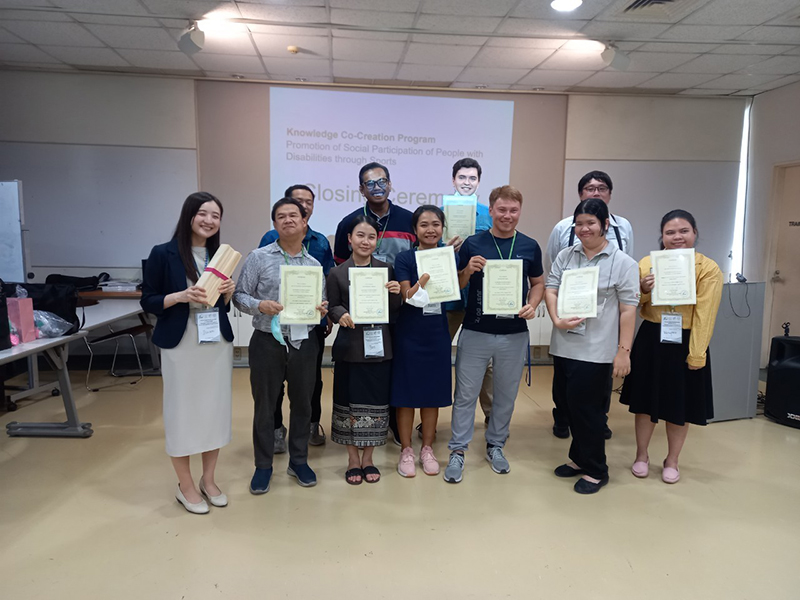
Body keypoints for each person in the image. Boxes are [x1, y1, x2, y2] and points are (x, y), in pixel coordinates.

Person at [141, 192, 236, 515]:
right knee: (182, 412)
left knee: (214, 410)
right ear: (189, 216)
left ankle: (209, 480)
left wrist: (228, 294)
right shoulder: (163, 253)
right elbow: (149, 301)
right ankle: (185, 485)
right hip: (182, 343)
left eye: (216, 215)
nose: (209, 220)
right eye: (203, 214)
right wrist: (180, 295)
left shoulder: (220, 256)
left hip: (215, 344)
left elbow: (220, 306)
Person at [444, 185, 545, 484]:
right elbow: (458, 286)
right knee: (465, 394)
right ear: (490, 211)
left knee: (505, 395)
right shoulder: (474, 244)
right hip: (476, 330)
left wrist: (533, 303)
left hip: (514, 333)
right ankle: (458, 450)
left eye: (513, 210)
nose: (507, 215)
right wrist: (466, 271)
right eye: (501, 210)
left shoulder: (530, 245)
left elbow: (538, 283)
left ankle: (496, 444)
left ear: (519, 212)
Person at [620, 210, 723, 484]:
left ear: (694, 233)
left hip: (687, 340)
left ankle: (672, 460)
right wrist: (643, 288)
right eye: (670, 232)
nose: (677, 237)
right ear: (662, 236)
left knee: (680, 405)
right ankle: (641, 455)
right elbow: (632, 304)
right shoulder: (646, 263)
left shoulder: (707, 268)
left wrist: (697, 353)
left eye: (684, 231)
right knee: (644, 403)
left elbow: (706, 313)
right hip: (652, 337)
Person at [233, 198, 328, 493]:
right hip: (266, 342)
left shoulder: (313, 265)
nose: (287, 220)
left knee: (302, 403)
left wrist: (320, 309)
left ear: (304, 222)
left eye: (293, 216)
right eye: (280, 216)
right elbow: (239, 296)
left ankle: (298, 460)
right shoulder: (258, 257)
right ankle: (263, 466)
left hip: (303, 342)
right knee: (265, 406)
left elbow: (320, 302)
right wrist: (260, 305)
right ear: (274, 225)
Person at [545, 198, 639, 495]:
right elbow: (551, 288)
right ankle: (578, 458)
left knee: (589, 411)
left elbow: (628, 309)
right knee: (569, 407)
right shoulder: (566, 255)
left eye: (591, 223)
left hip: (596, 350)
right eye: (580, 223)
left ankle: (597, 469)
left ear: (605, 226)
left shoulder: (622, 262)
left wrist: (623, 351)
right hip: (564, 345)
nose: (584, 229)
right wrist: (557, 319)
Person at [332, 162, 415, 446]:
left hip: (400, 308)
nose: (377, 188)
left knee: (395, 366)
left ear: (390, 184)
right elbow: (340, 270)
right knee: (362, 373)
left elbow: (420, 261)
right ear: (361, 189)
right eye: (370, 183)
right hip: (359, 319)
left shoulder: (409, 220)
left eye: (382, 182)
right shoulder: (349, 221)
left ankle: (392, 425)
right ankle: (363, 431)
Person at [327, 215, 402, 485]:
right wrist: (341, 314)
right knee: (348, 403)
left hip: (379, 346)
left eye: (371, 237)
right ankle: (352, 459)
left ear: (376, 240)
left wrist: (396, 293)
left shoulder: (386, 270)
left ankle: (368, 458)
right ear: (349, 239)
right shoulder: (337, 272)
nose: (365, 241)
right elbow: (332, 305)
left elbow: (393, 310)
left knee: (376, 402)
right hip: (350, 347)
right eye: (360, 235)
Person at [259, 184, 334, 451]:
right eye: (295, 202)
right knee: (275, 384)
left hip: (308, 326)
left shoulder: (321, 242)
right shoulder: (269, 239)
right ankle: (277, 428)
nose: (301, 208)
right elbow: (260, 282)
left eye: (307, 203)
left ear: (308, 211)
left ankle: (312, 425)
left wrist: (325, 315)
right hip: (276, 328)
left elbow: (326, 280)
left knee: (311, 381)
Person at [392, 205, 453, 477]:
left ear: (443, 228)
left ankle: (427, 448)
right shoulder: (405, 258)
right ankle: (406, 449)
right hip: (409, 332)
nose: (431, 229)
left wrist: (464, 269)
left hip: (437, 332)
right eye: (424, 224)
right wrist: (424, 280)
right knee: (405, 395)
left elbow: (458, 287)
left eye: (436, 224)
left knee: (431, 395)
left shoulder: (449, 256)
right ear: (414, 230)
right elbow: (407, 295)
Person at [444, 158, 494, 427]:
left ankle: (491, 416)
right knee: (440, 353)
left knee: (485, 362)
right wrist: (445, 249)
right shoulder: (439, 213)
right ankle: (431, 416)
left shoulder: (489, 214)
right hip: (448, 296)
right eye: (462, 177)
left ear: (478, 182)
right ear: (453, 180)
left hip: (480, 297)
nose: (466, 182)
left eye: (472, 178)